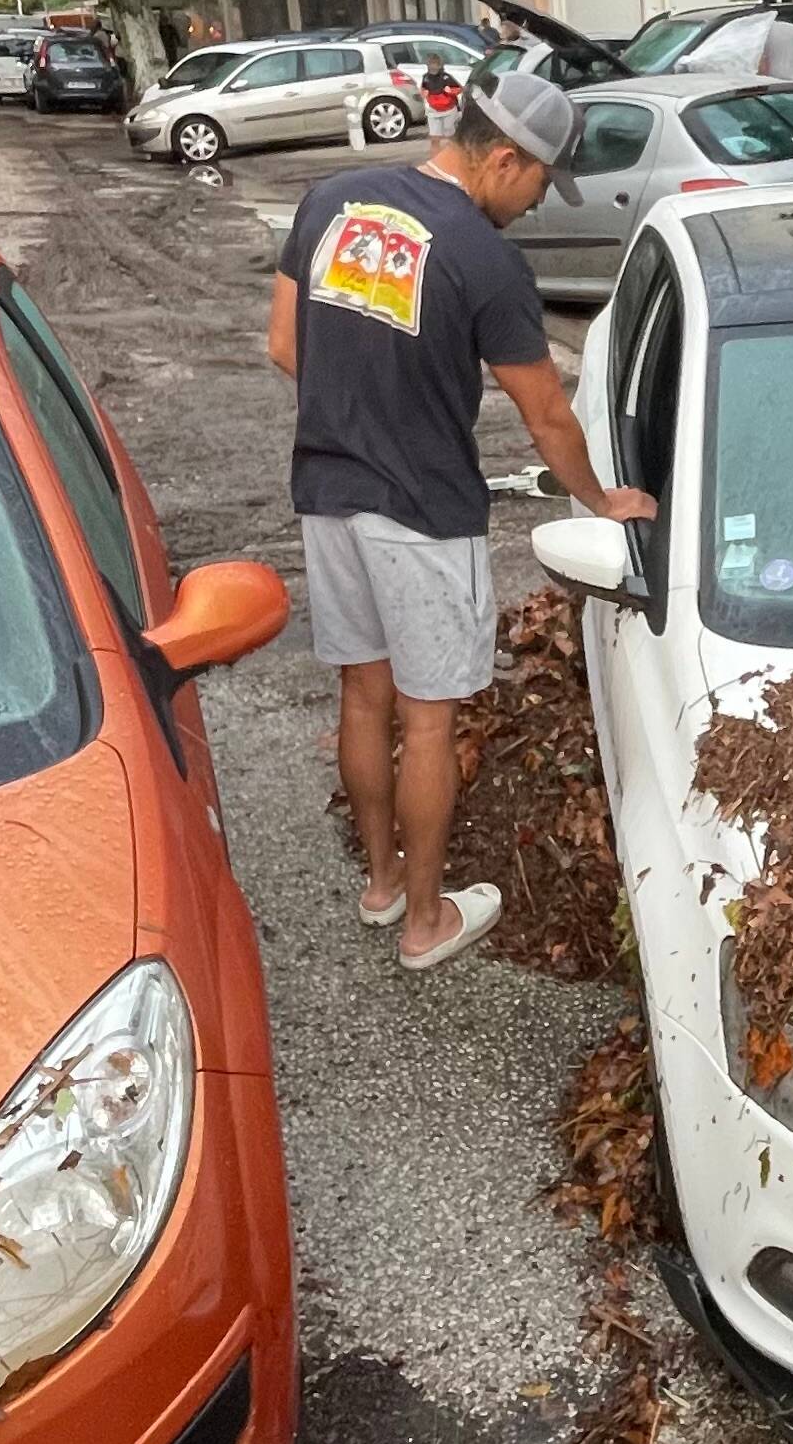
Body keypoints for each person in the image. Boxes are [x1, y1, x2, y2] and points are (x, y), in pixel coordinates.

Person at [266, 69, 655, 972]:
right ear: (505, 158)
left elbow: (287, 346)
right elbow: (548, 416)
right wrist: (604, 498)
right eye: (537, 184)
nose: (533, 205)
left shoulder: (330, 199)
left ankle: (382, 885)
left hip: (327, 493)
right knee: (428, 720)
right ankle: (425, 923)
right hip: (424, 511)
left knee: (362, 695)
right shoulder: (484, 258)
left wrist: (360, 410)